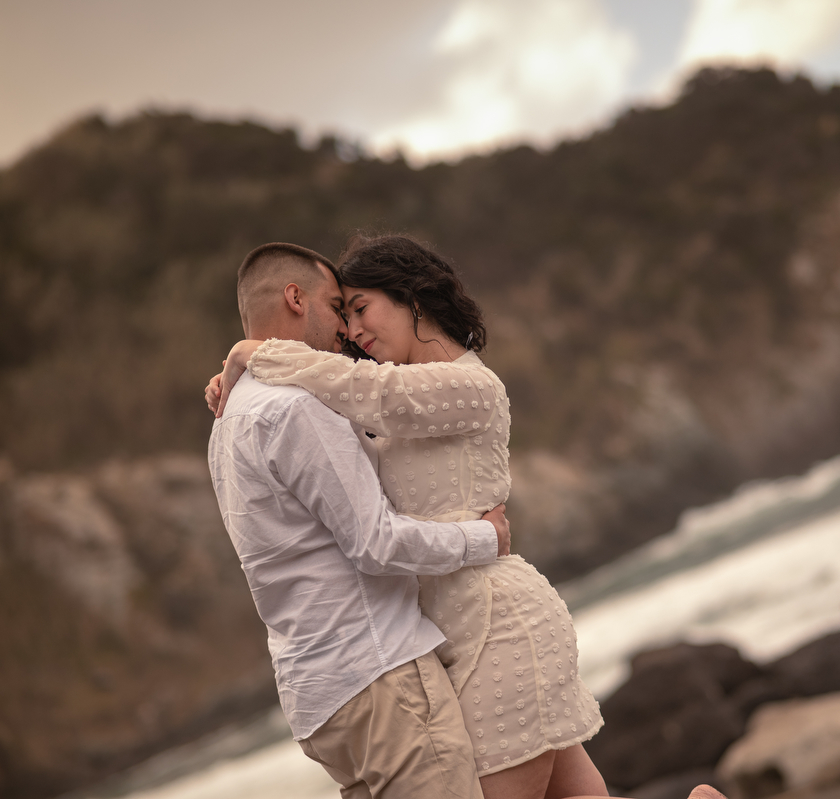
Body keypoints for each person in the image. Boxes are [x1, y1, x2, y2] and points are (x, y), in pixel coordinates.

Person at [208, 235, 728, 799]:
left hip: (496, 623)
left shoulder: (469, 385)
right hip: (447, 635)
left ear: (412, 299)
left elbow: (366, 389)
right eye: (343, 312)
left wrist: (256, 354)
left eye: (360, 309)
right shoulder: (383, 406)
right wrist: (252, 377)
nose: (351, 331)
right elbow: (343, 431)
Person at [207, 241, 512, 799]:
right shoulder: (296, 407)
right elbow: (374, 542)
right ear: (295, 299)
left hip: (317, 699)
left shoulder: (227, 419)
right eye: (334, 306)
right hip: (378, 672)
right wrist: (483, 539)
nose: (346, 329)